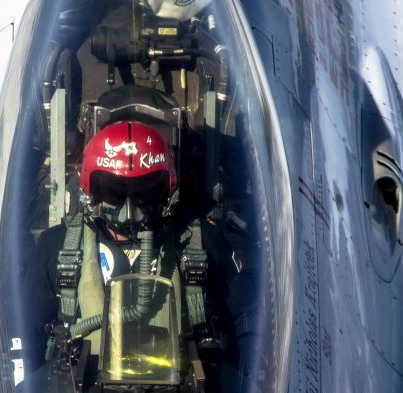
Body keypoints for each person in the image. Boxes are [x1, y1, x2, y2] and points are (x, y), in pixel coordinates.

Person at [23, 120, 243, 371]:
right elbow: (24, 335)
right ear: (91, 193)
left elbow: (247, 322)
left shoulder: (201, 246)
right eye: (114, 193)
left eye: (143, 193)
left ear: (165, 191)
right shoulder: (59, 249)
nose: (129, 212)